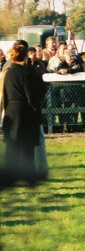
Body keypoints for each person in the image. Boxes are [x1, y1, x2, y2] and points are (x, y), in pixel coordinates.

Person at [1, 41, 47, 184]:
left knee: (12, 144)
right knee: (27, 144)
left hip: (10, 111)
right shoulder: (25, 73)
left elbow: (5, 95)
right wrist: (36, 109)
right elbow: (30, 97)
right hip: (24, 111)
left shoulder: (7, 72)